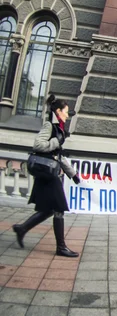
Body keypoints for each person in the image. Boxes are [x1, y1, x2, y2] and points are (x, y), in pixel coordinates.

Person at [13, 95, 81, 257]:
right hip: (47, 173)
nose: (67, 115)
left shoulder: (59, 129)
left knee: (47, 210)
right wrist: (56, 142)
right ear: (58, 111)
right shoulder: (50, 126)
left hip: (48, 171)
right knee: (59, 208)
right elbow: (38, 145)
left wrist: (73, 174)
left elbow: (58, 155)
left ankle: (22, 229)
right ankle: (61, 247)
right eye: (65, 112)